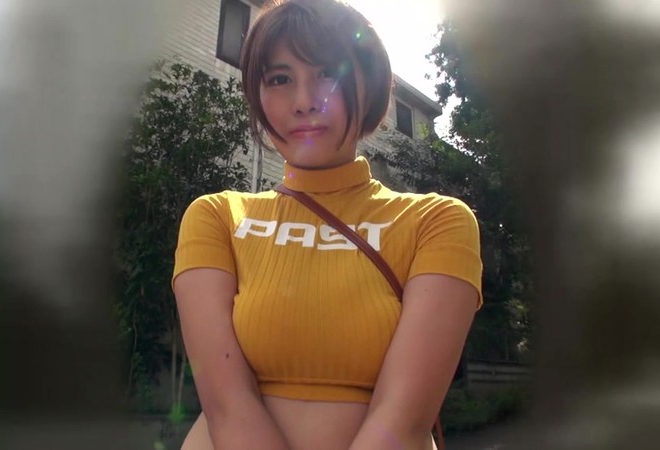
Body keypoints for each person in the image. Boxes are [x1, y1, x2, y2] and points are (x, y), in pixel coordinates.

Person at [172, 1, 483, 449]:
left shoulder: (436, 222)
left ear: (370, 87)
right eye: (280, 79)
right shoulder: (217, 216)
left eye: (328, 75)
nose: (303, 102)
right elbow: (226, 404)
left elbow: (403, 419)